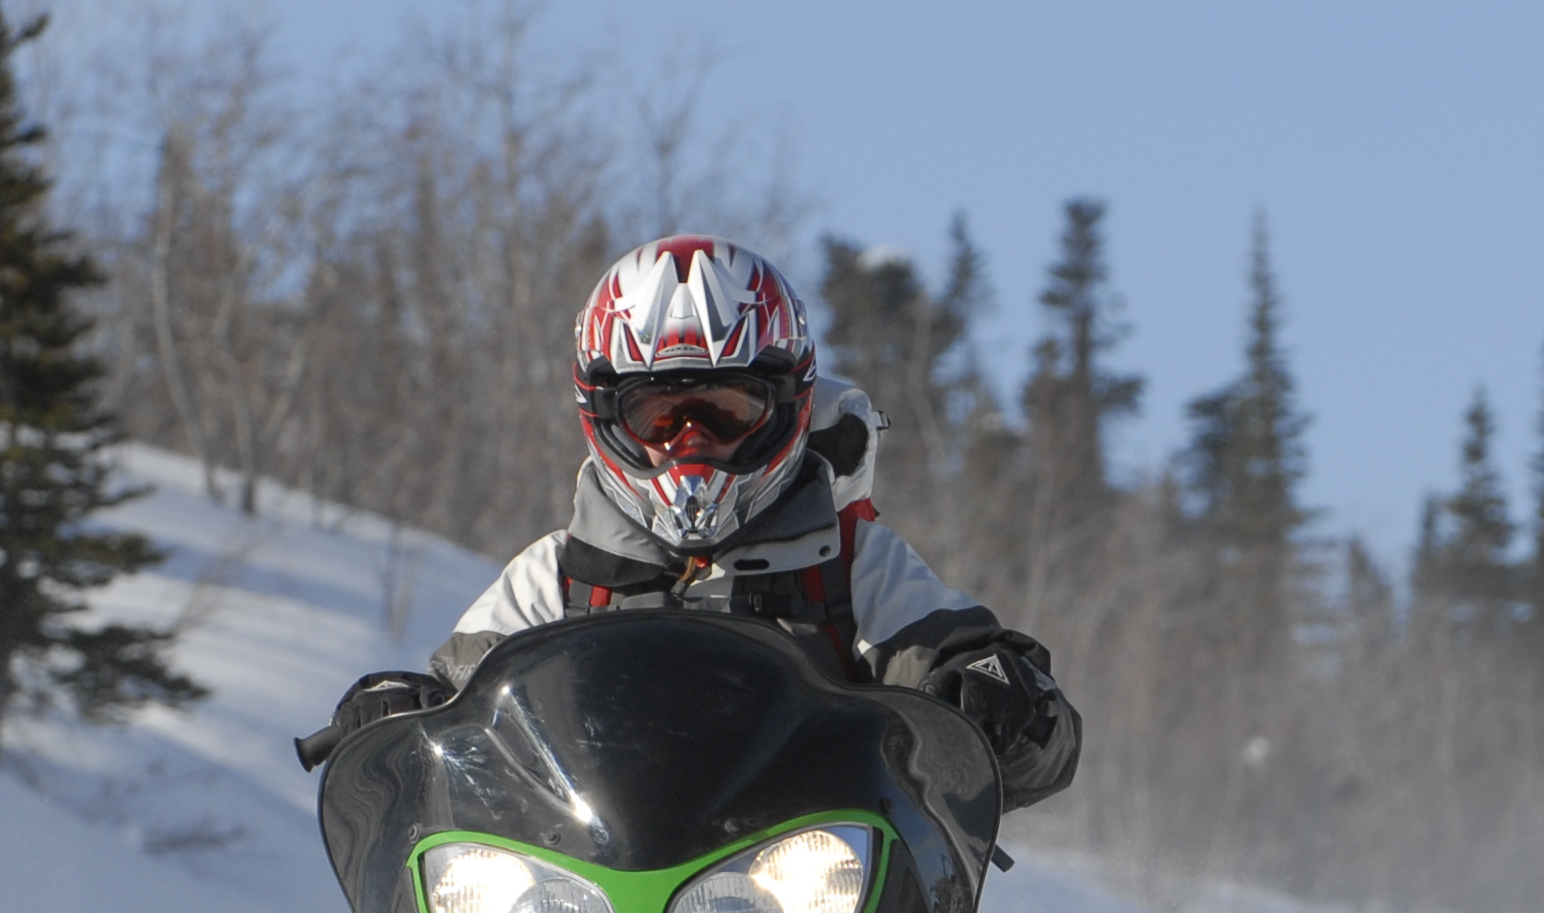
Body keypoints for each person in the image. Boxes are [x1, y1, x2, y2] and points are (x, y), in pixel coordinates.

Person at [313, 235, 1079, 804]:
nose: (693, 446)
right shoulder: (561, 578)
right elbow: (456, 700)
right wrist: (394, 714)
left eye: (724, 411)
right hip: (581, 911)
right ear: (607, 416)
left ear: (788, 406)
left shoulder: (852, 566)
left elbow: (985, 680)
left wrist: (1002, 693)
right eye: (661, 417)